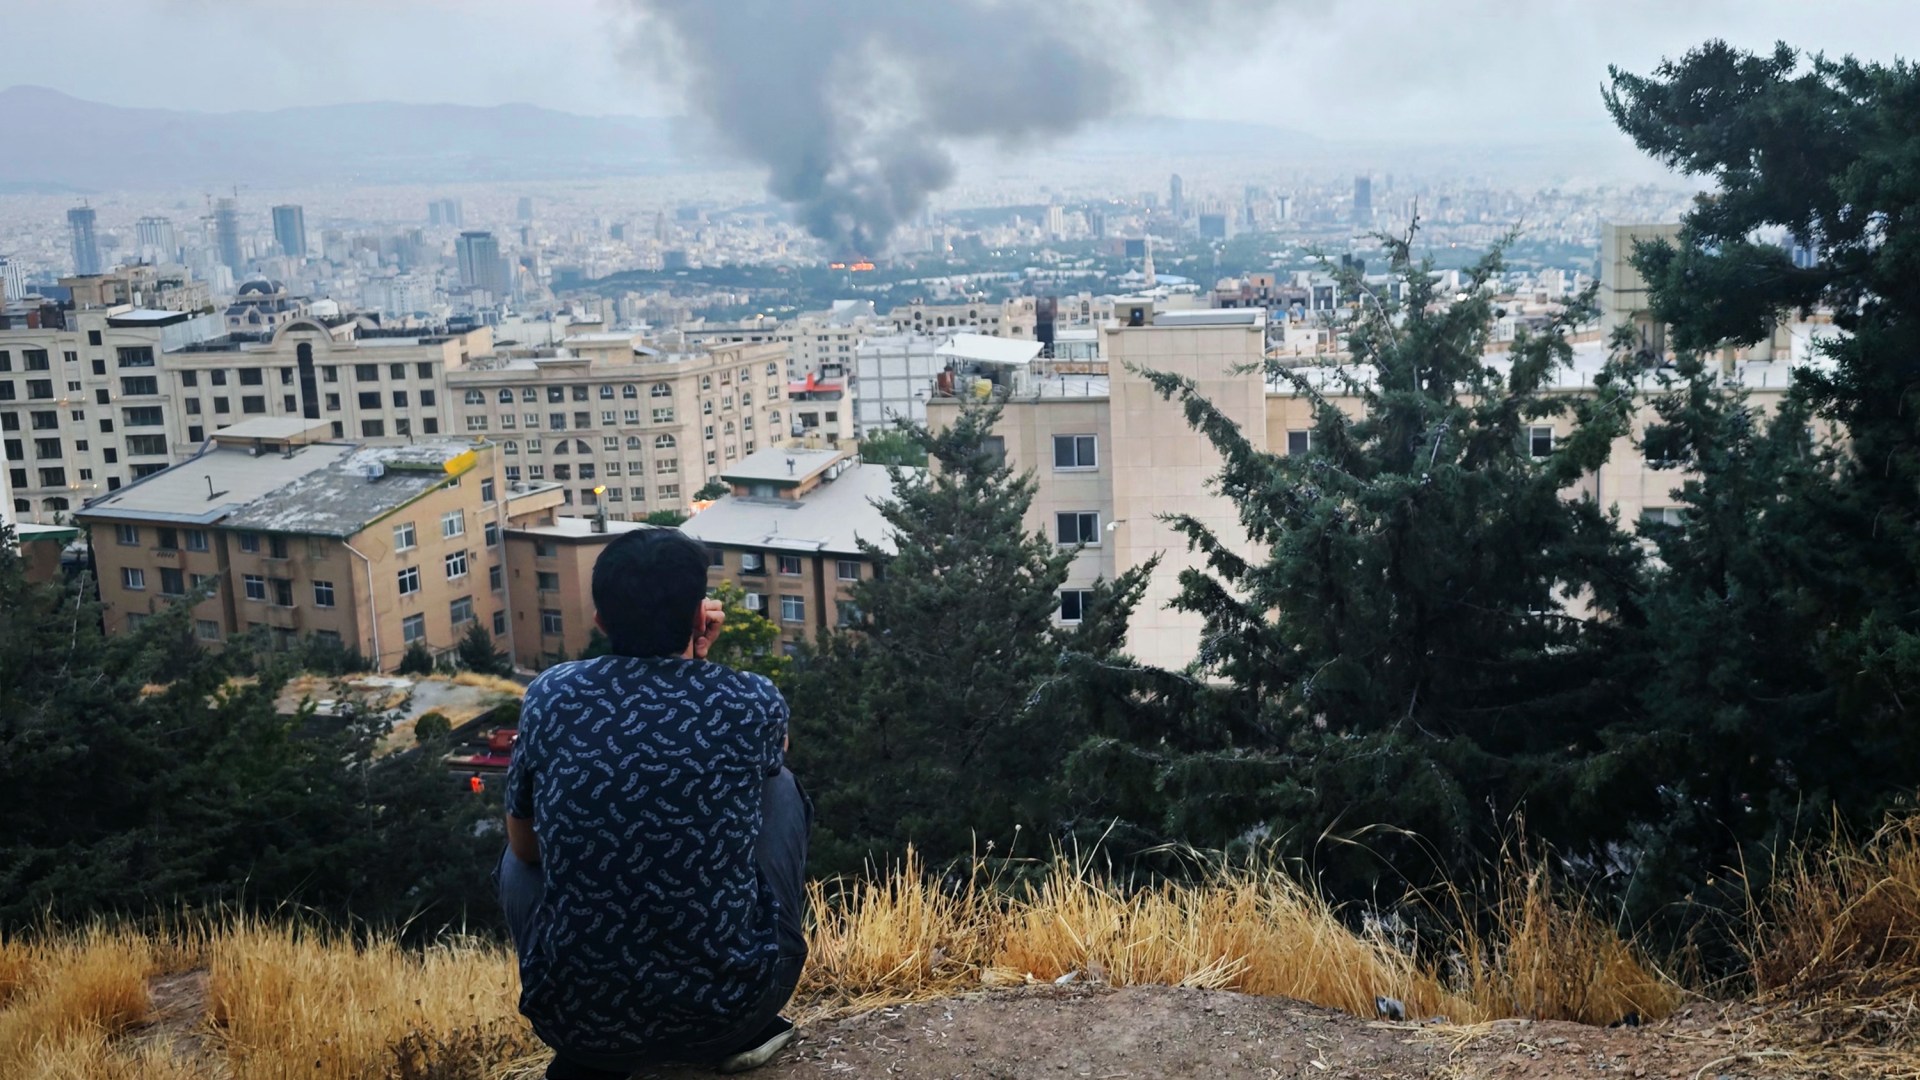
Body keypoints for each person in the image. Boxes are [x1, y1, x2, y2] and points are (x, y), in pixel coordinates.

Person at [499, 527, 809, 1078]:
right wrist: (699, 657)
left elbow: (525, 848)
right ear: (697, 618)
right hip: (733, 1015)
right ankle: (738, 1025)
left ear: (600, 623)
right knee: (778, 784)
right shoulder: (751, 700)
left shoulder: (550, 695)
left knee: (517, 850)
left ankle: (594, 1048)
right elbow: (772, 750)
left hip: (579, 1029)